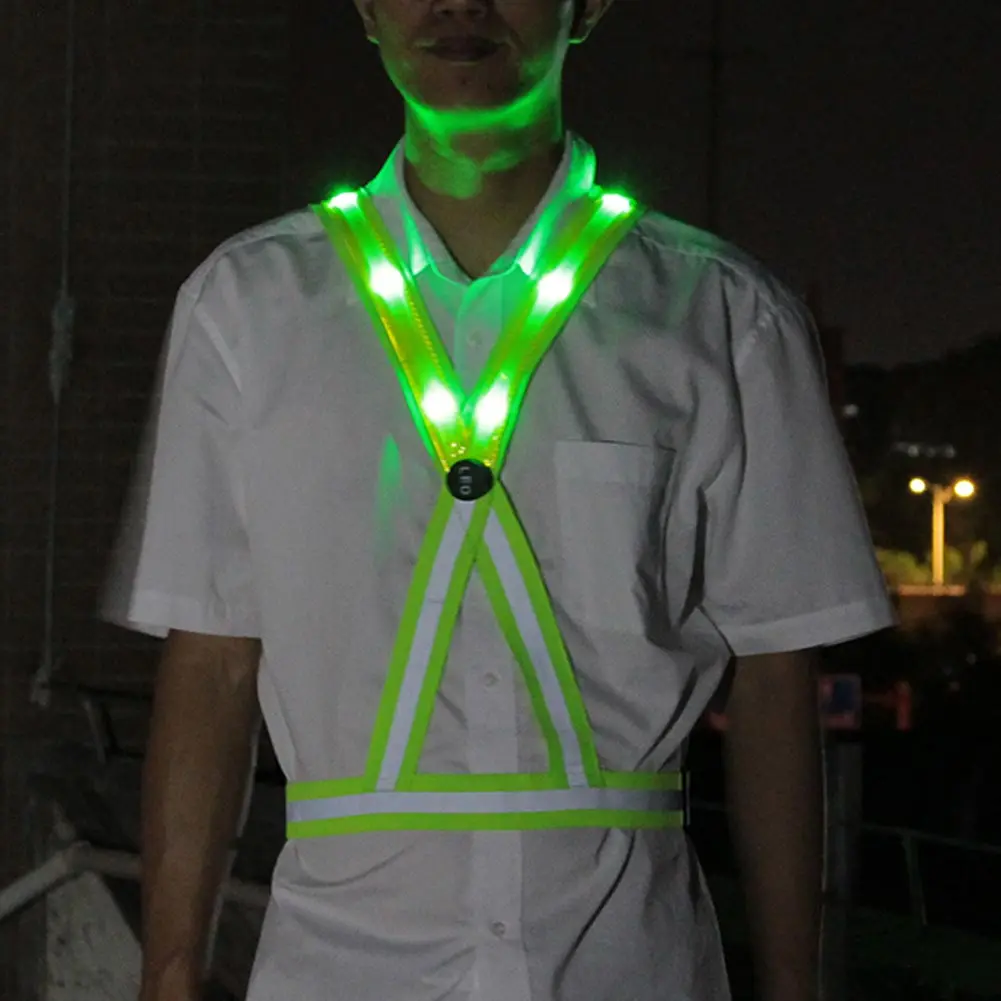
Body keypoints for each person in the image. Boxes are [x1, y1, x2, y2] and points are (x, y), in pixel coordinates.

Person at [102, 1, 895, 999]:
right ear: (365, 6)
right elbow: (211, 655)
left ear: (586, 4)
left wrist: (790, 984)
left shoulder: (721, 312)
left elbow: (775, 671)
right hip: (340, 965)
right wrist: (169, 972)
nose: (460, 4)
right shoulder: (246, 305)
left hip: (623, 965)